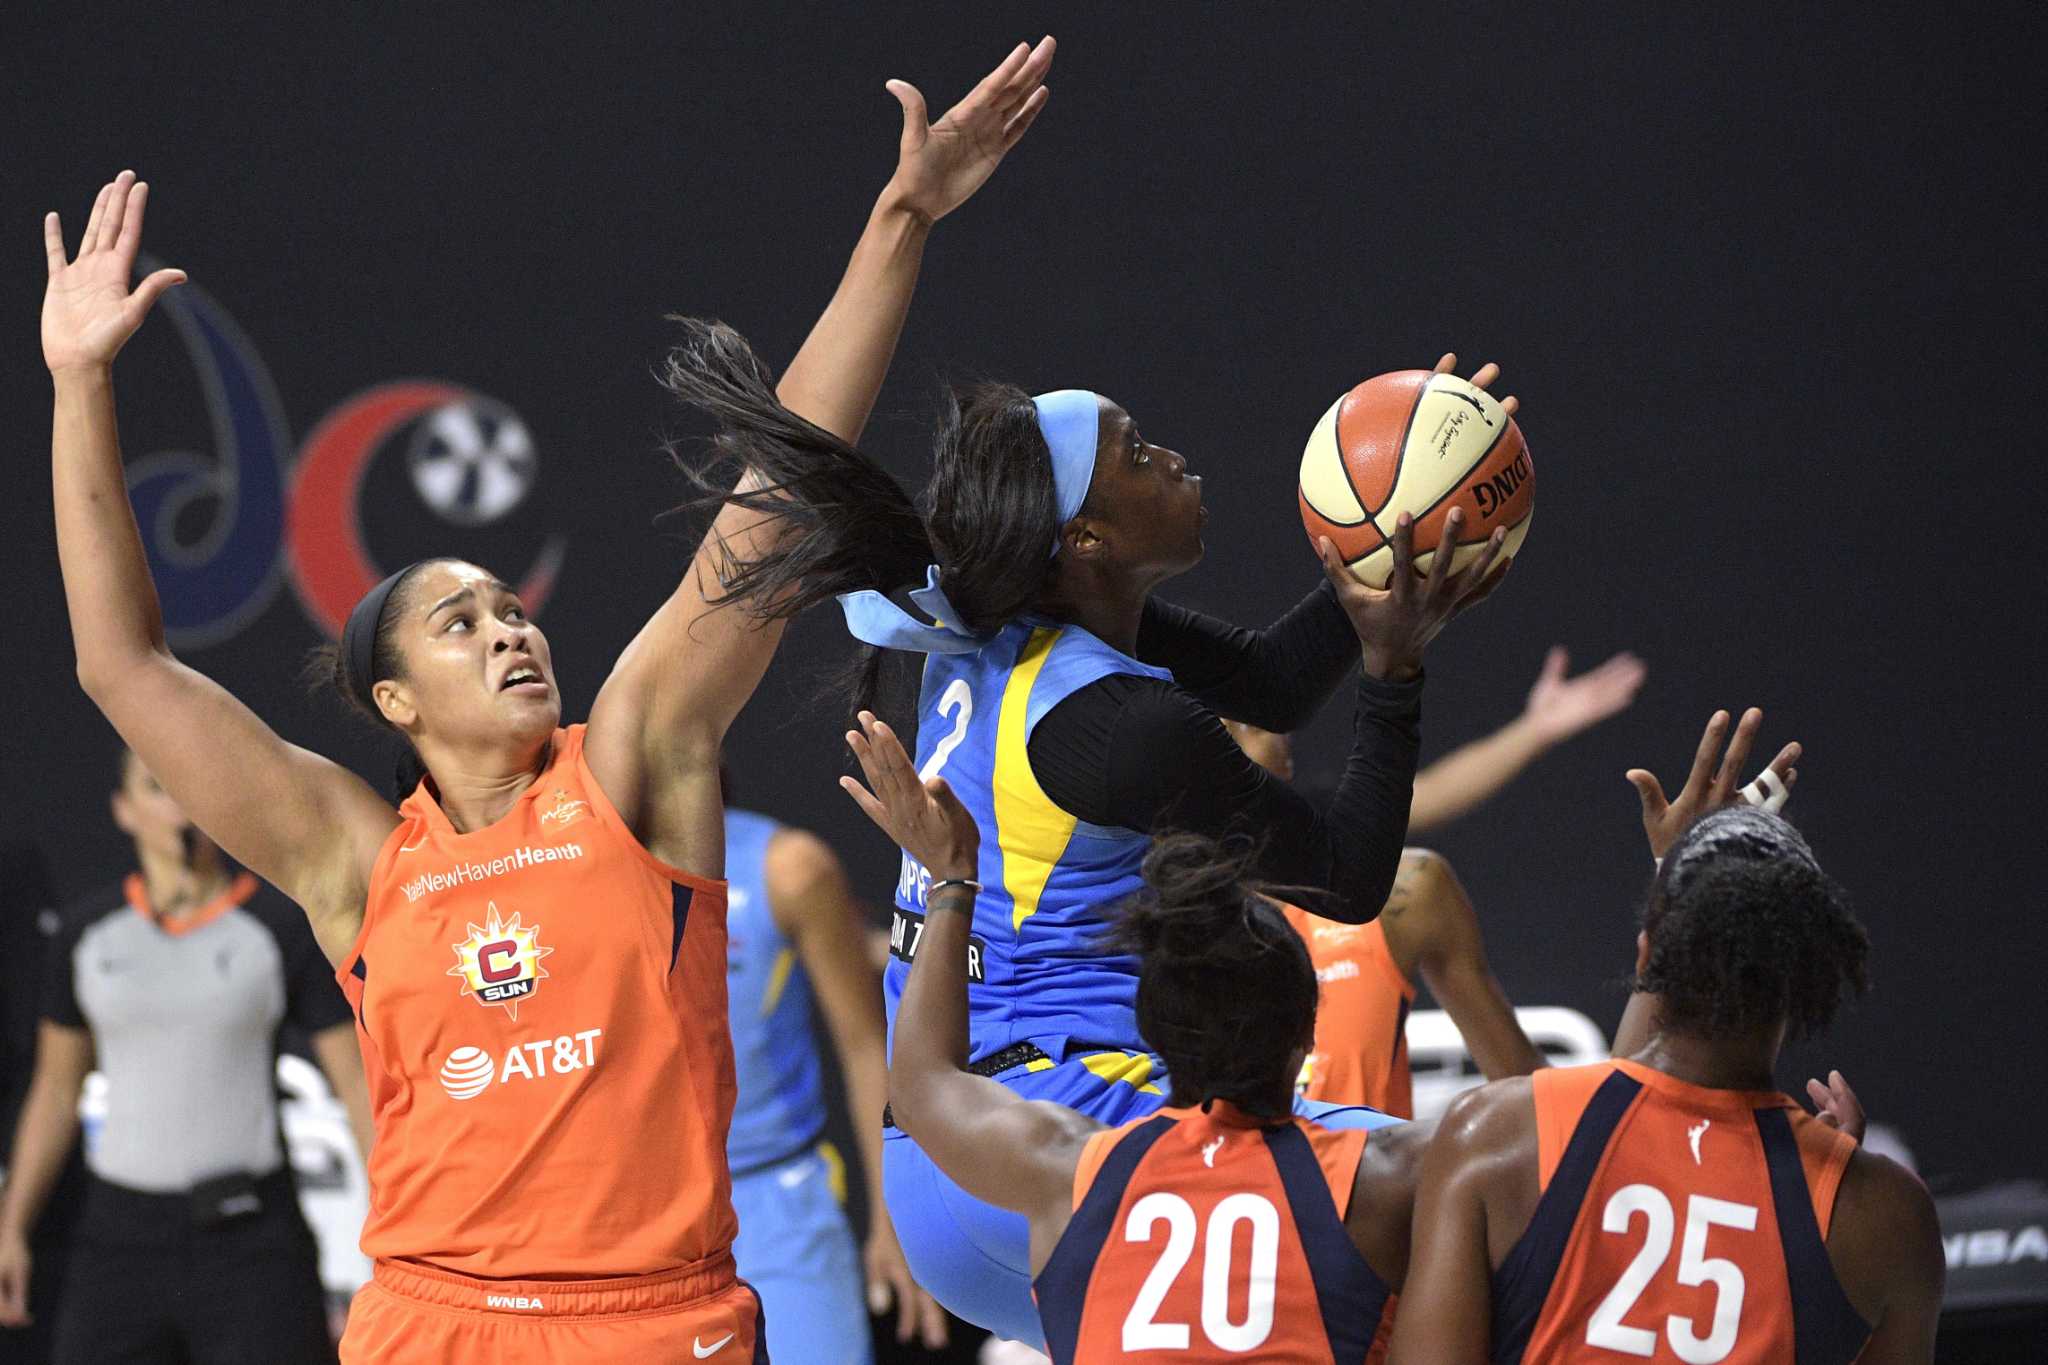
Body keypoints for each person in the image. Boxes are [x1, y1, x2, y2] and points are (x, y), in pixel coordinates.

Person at [41, 37, 1053, 1362]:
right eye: (461, 624)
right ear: (396, 700)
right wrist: (79, 384)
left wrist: (902, 219)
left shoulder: (633, 758)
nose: (511, 629)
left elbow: (777, 497)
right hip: (429, 1322)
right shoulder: (355, 857)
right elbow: (121, 665)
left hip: (652, 1321)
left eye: (511, 608)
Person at [677, 314, 1517, 1335]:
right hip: (1067, 1131)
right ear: (1085, 538)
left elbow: (1267, 682)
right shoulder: (1116, 727)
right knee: (1475, 1186)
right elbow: (1342, 877)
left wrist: (1397, 518)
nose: (1169, 457)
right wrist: (1395, 674)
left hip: (951, 1147)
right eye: (1134, 452)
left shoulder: (1009, 624)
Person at [837, 710, 1427, 1363]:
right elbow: (1543, 1147)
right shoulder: (1383, 1173)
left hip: (949, 1199)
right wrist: (1391, 673)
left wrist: (951, 874)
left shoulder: (1070, 1168)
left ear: (1151, 1035)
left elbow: (920, 1086)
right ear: (1304, 1044)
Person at [1390, 723, 1943, 1363]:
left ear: (1647, 949)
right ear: (1808, 982)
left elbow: (1621, 1127)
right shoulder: (1885, 1217)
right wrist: (1823, 1182)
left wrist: (1671, 871)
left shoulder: (1490, 1136)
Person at [0, 750, 371, 1364]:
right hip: (117, 1239)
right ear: (125, 812)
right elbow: (56, 1093)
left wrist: (392, 1223)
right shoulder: (86, 932)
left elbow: (356, 1085)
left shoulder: (278, 925)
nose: (179, 803)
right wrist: (12, 1227)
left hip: (252, 1238)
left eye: (188, 785)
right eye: (156, 787)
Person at [720, 794, 946, 1360]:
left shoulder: (785, 866)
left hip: (779, 1202)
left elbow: (867, 1045)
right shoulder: (568, 867)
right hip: (632, 1222)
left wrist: (893, 1217)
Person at [1226, 643, 1644, 835]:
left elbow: (1421, 798)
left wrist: (1534, 730)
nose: (1283, 729)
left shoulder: (1299, 826)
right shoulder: (1168, 884)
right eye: (1255, 725)